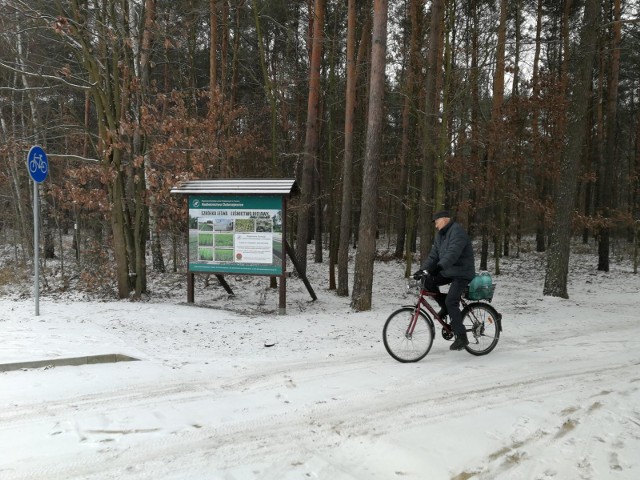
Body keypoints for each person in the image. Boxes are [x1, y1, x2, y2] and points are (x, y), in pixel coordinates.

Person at [413, 210, 476, 350]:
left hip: (462, 273)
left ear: (444, 219)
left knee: (451, 301)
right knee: (428, 281)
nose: (436, 225)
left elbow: (452, 254)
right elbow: (433, 256)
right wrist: (422, 270)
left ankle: (461, 338)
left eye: (436, 222)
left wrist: (439, 267)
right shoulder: (441, 235)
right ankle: (446, 308)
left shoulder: (457, 232)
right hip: (449, 271)